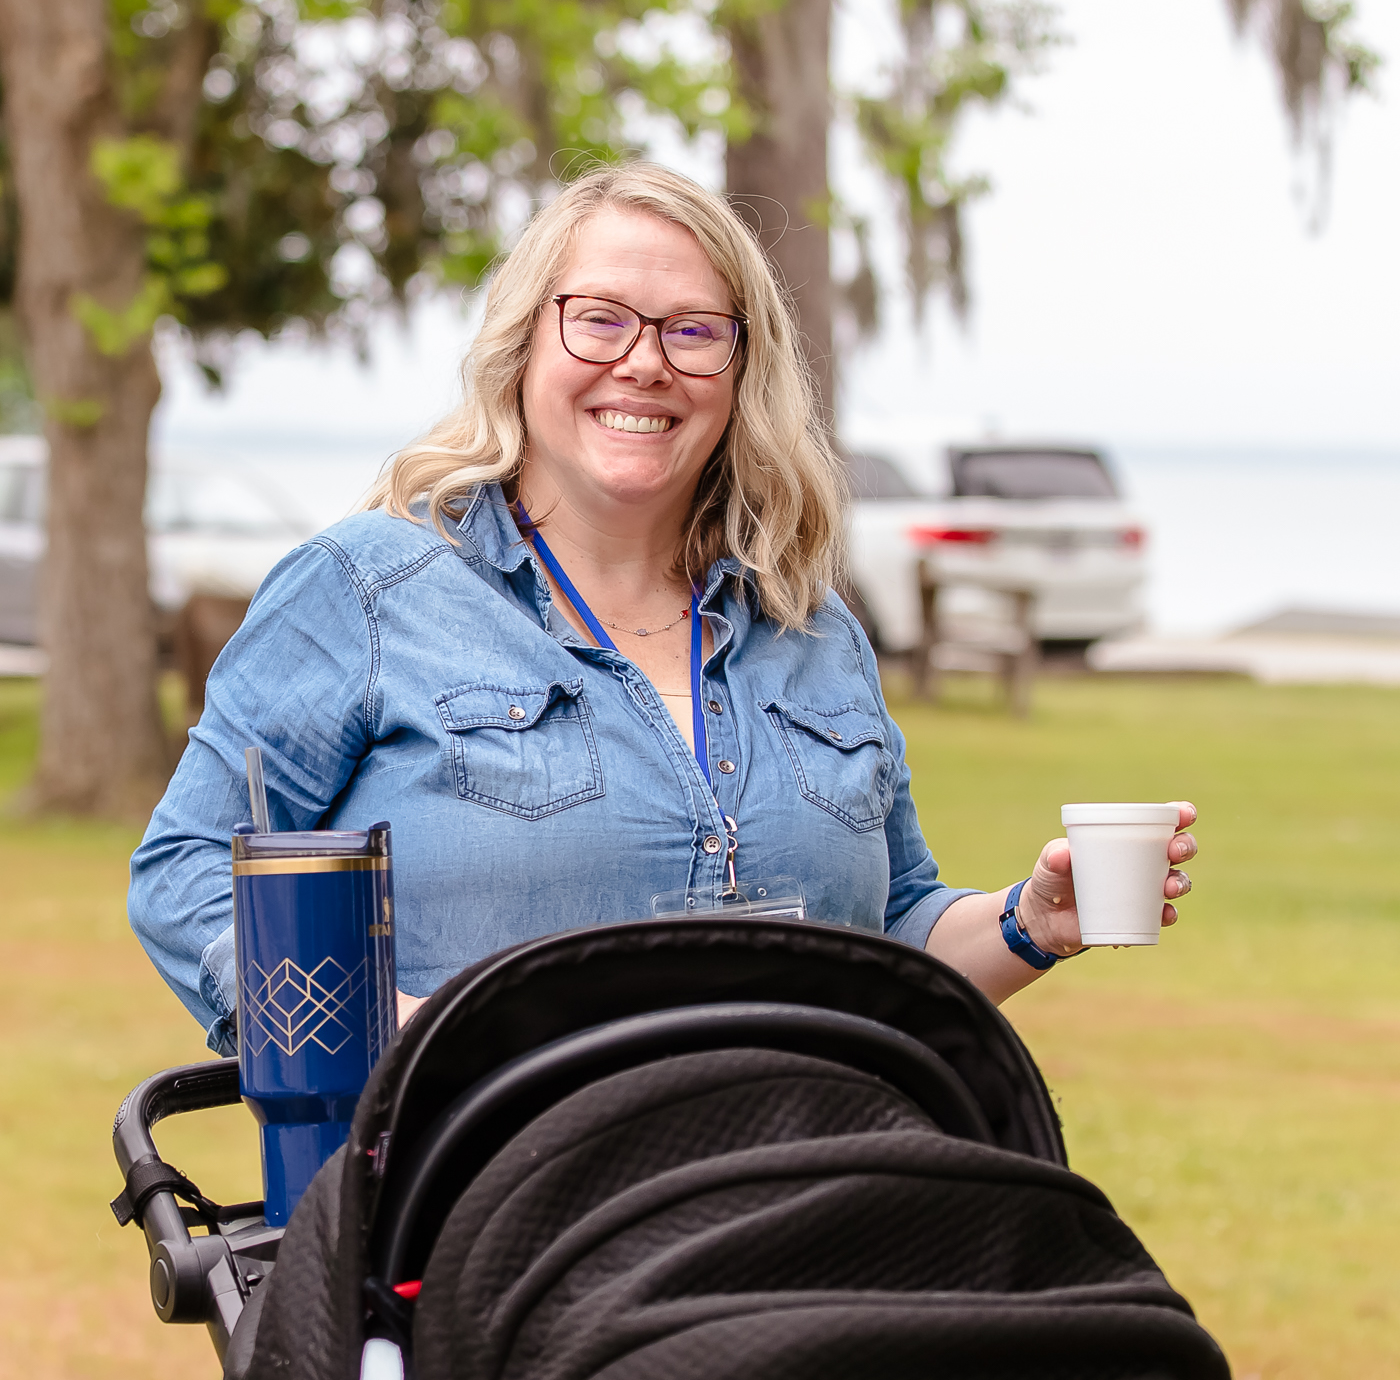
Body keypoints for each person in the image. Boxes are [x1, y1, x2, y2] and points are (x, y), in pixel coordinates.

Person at [129, 162, 1195, 1047]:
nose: (643, 363)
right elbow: (190, 877)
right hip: (476, 1193)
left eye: (692, 331)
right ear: (522, 346)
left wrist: (1027, 921)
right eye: (598, 320)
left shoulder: (810, 627)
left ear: (740, 373)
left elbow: (890, 933)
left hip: (789, 1182)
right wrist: (399, 1039)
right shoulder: (368, 589)